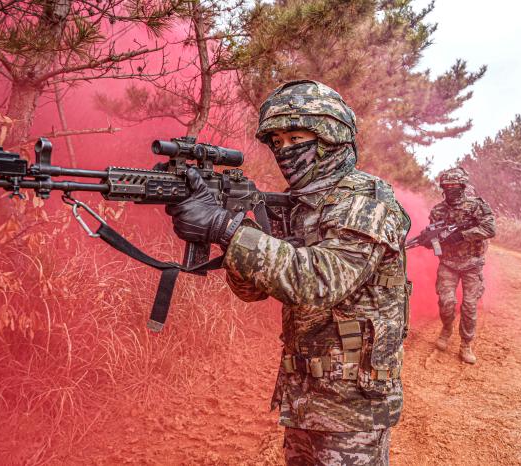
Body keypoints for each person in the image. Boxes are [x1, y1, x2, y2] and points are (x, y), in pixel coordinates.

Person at [165, 80, 411, 465]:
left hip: (353, 408)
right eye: (276, 141)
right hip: (304, 393)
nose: (285, 150)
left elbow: (318, 281)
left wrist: (226, 229)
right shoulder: (300, 206)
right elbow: (254, 290)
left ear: (331, 137)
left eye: (296, 136)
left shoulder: (364, 201)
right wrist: (228, 234)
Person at [428, 168, 495, 364]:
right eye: (447, 187)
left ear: (463, 187)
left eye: (455, 187)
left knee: (469, 306)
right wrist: (432, 241)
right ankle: (447, 328)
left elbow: (490, 229)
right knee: (447, 303)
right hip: (448, 264)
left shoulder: (476, 207)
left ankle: (466, 344)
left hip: (472, 264)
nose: (451, 190)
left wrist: (463, 234)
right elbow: (435, 239)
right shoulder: (438, 211)